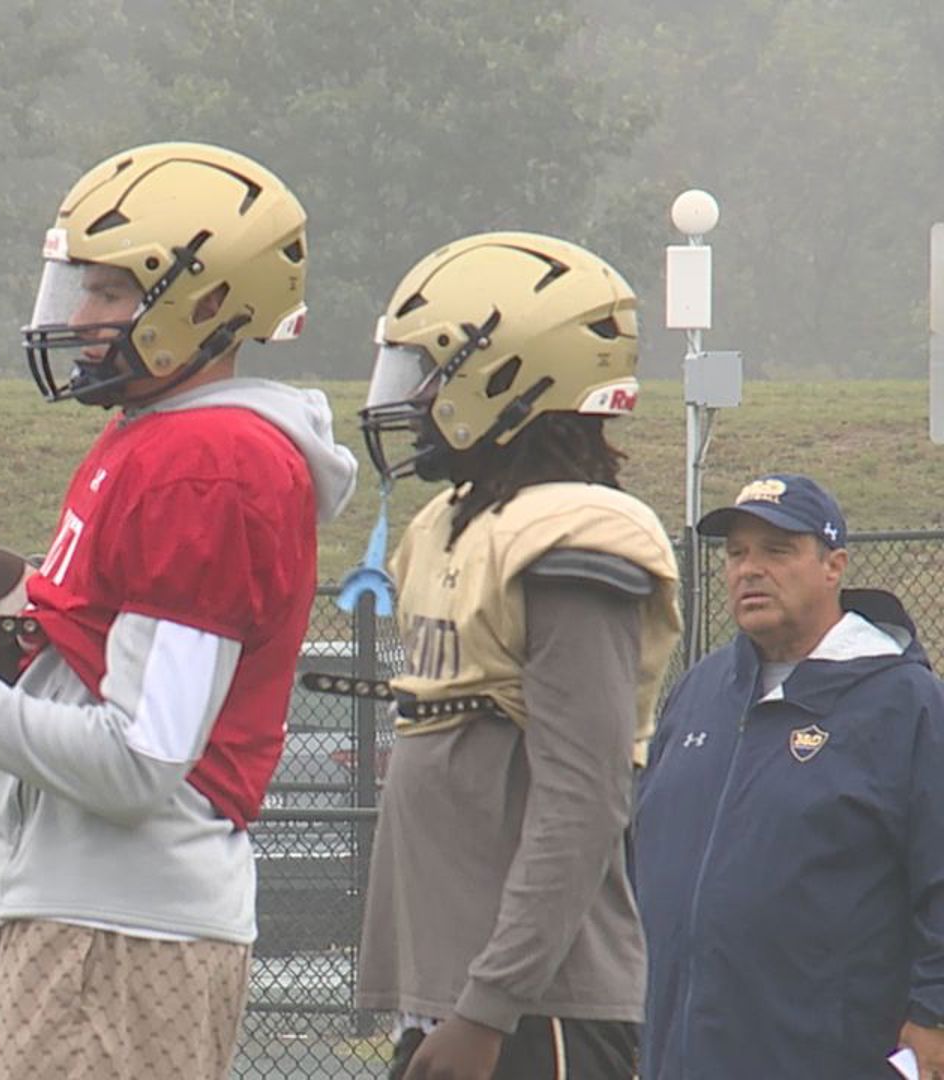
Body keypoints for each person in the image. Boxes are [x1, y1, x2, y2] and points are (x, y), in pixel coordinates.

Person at [0, 141, 358, 1080]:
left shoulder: (204, 462)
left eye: (109, 292)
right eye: (79, 289)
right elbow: (90, 670)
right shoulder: (156, 438)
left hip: (124, 932)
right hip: (97, 921)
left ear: (207, 302)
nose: (80, 318)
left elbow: (141, 761)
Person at [349, 232, 683, 1080]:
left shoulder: (569, 538)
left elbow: (583, 794)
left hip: (538, 1010)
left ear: (511, 377)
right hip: (463, 1002)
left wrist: (490, 1003)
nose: (413, 401)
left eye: (430, 373)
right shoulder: (460, 523)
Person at [634, 474, 944, 1079]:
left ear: (835, 566)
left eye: (777, 551)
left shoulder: (906, 704)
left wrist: (934, 1014)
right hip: (684, 1053)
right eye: (737, 553)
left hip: (829, 1054)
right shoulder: (700, 691)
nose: (750, 570)